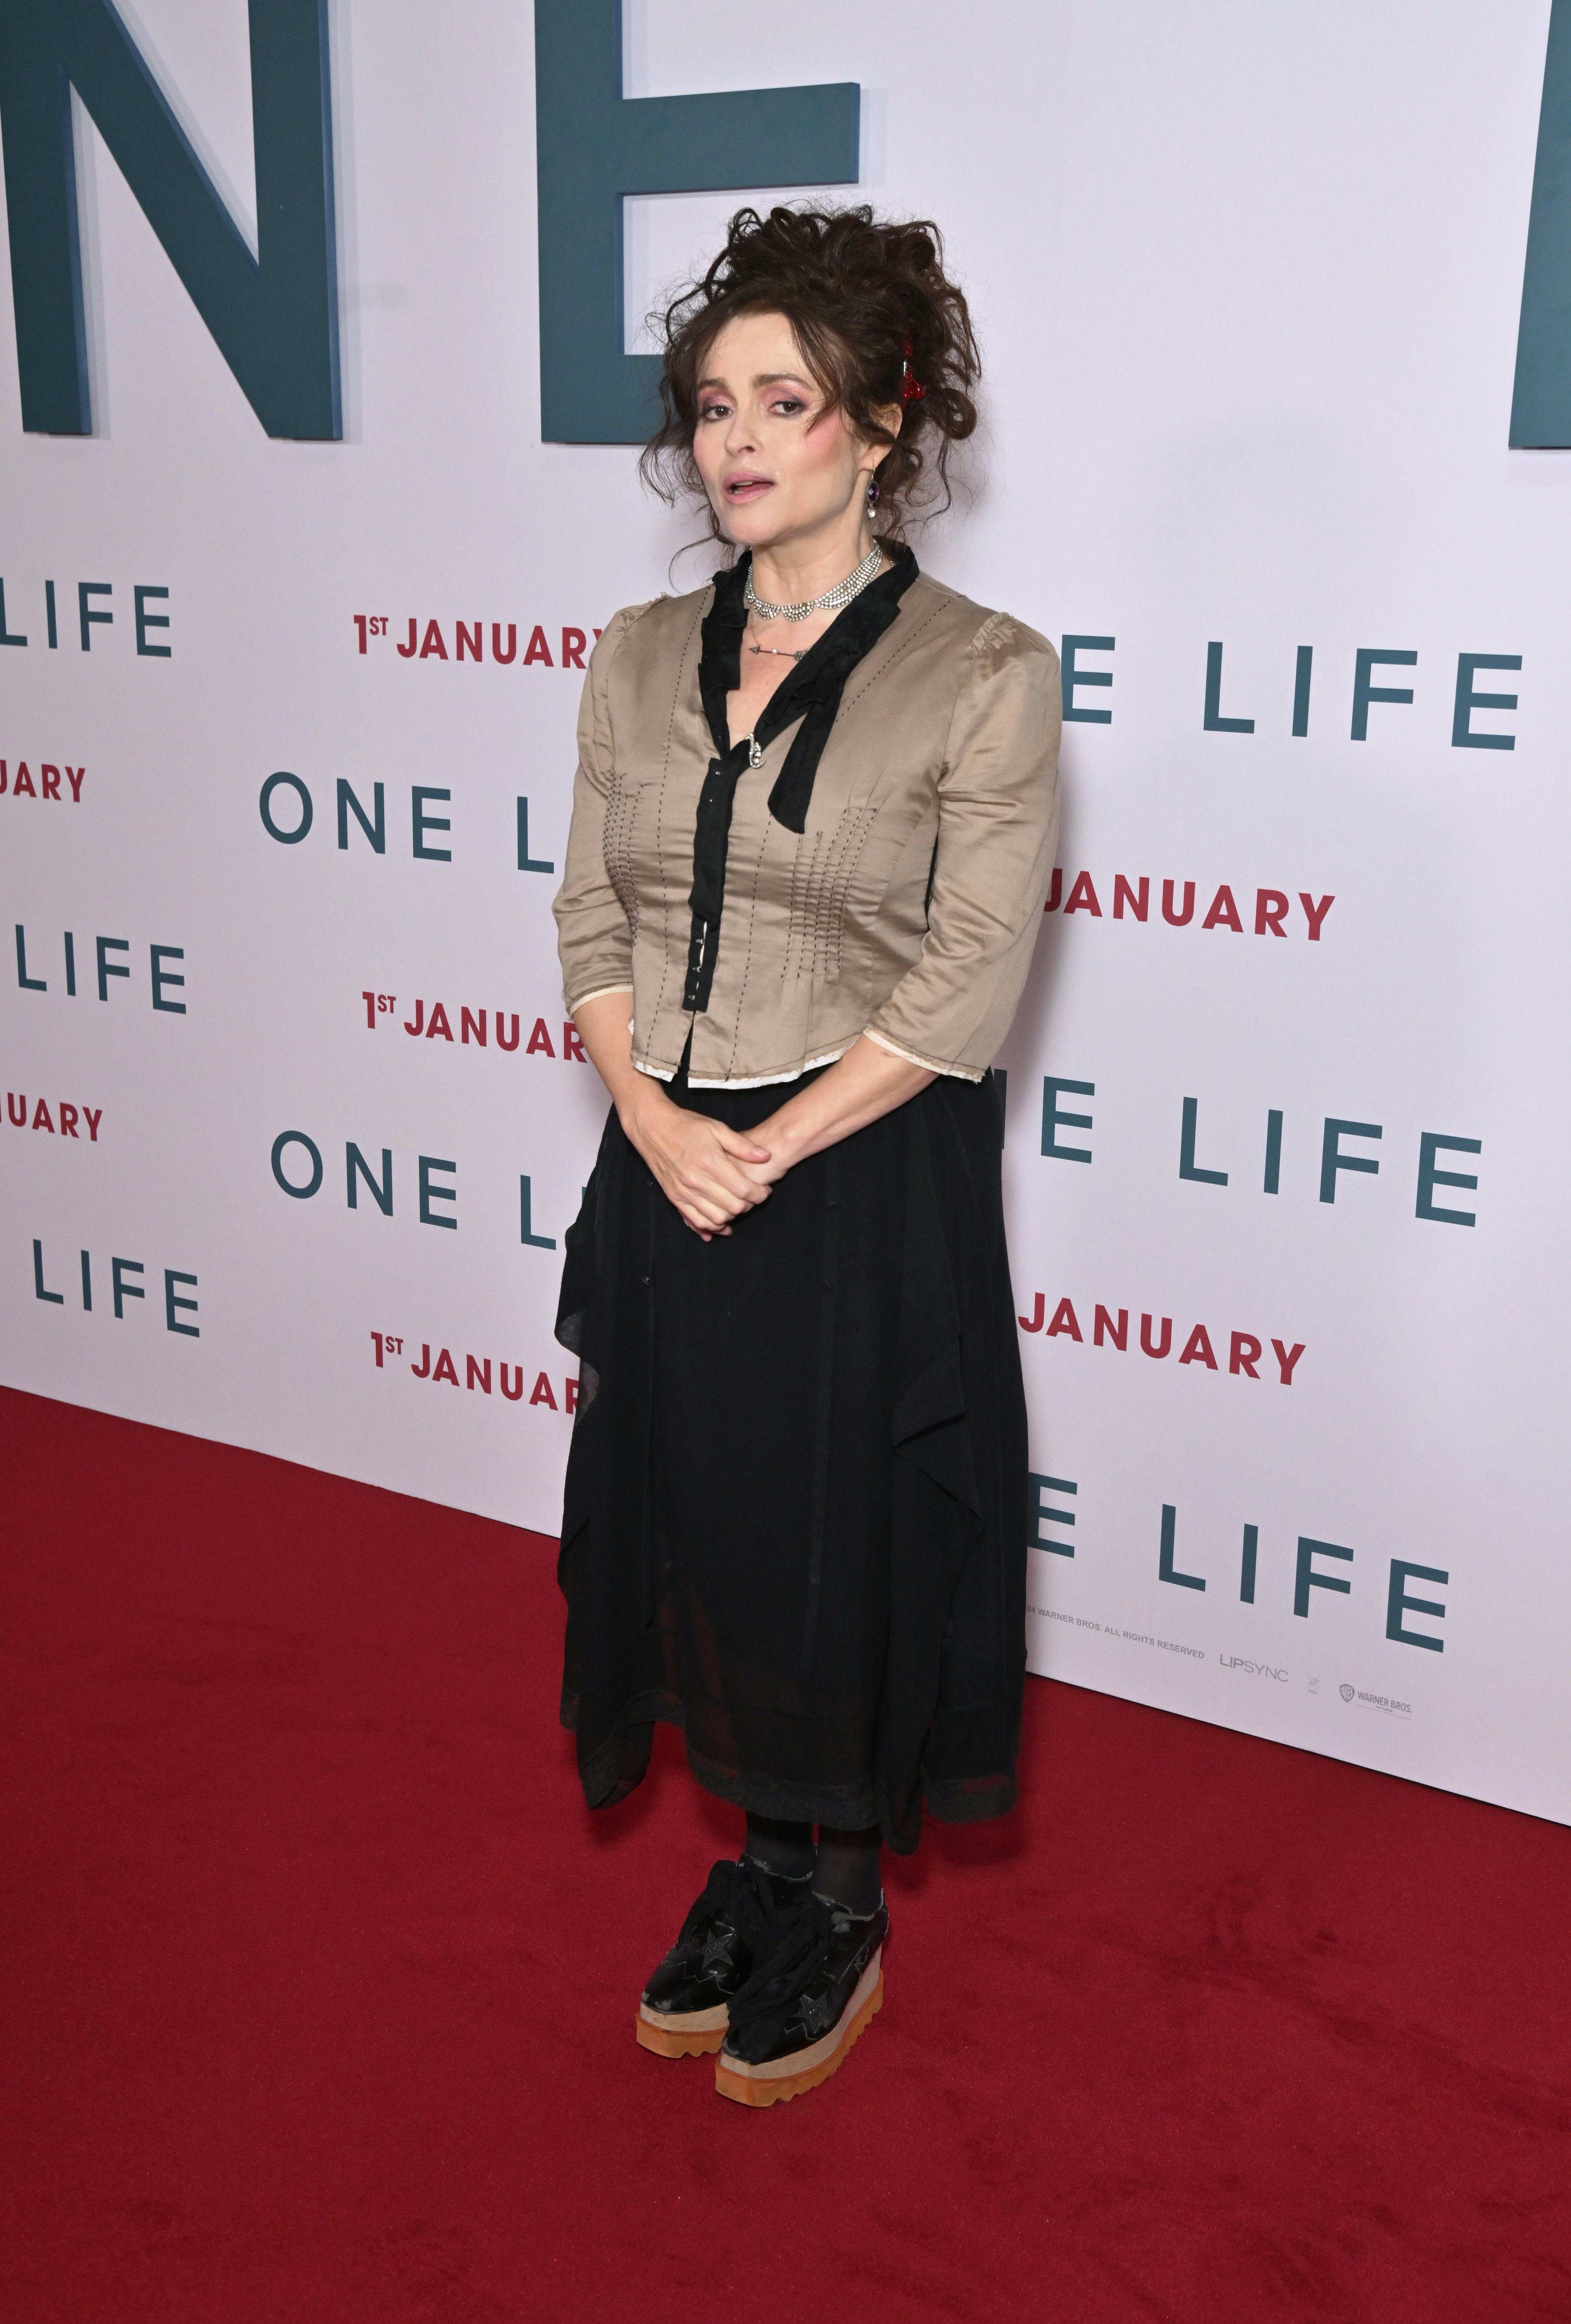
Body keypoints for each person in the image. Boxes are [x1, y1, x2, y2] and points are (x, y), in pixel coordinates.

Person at [551, 204, 1061, 2107]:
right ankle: (756, 1860)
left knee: (836, 1536)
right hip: (665, 1151)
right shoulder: (628, 654)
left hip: (850, 1174)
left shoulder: (985, 672)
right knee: (700, 1513)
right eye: (713, 405)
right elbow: (589, 917)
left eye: (789, 399)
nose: (740, 440)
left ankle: (833, 1893)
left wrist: (761, 1143)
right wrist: (654, 1117)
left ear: (882, 416)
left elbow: (964, 981)